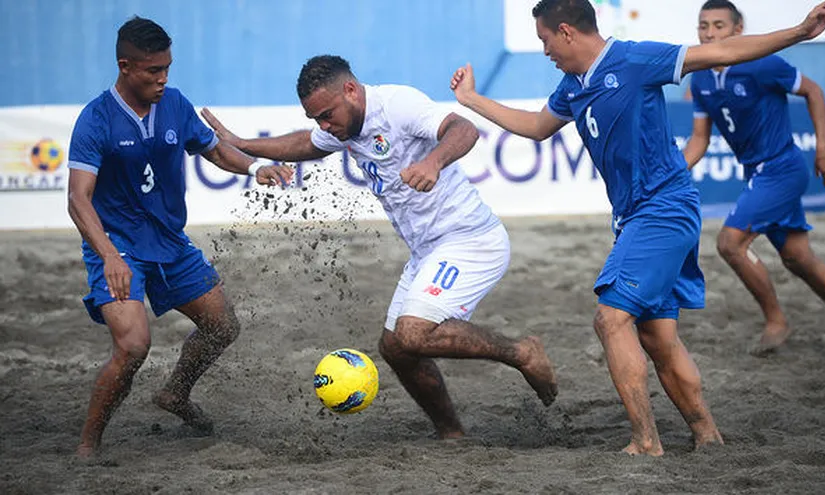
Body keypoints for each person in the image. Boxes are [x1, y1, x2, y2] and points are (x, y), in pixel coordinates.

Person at [450, 0, 825, 456]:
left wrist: (800, 31)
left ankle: (645, 441)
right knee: (658, 337)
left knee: (611, 318)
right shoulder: (572, 85)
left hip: (663, 210)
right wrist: (472, 101)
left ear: (565, 31)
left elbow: (723, 54)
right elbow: (539, 126)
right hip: (636, 218)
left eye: (544, 40)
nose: (544, 51)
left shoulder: (635, 58)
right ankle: (707, 436)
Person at [200, 55, 558, 439]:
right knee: (395, 348)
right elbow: (308, 143)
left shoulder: (397, 105)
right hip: (427, 251)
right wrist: (242, 144)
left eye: (326, 114)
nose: (324, 125)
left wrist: (433, 163)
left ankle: (522, 352)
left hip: (469, 240)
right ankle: (452, 433)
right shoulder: (341, 126)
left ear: (351, 90)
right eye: (316, 118)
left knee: (413, 333)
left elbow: (464, 128)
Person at [67, 16, 291, 457]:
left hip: (169, 242)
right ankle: (87, 445)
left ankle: (175, 394)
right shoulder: (95, 120)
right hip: (119, 246)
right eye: (153, 70)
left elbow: (212, 148)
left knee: (222, 325)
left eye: (168, 68)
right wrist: (109, 255)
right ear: (125, 66)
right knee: (133, 346)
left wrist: (253, 166)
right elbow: (78, 199)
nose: (163, 78)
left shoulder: (175, 104)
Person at [682, 0, 825, 355]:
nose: (709, 33)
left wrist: (823, 147)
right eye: (703, 26)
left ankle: (776, 320)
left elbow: (813, 91)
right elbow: (699, 139)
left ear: (737, 30)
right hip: (756, 175)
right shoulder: (700, 77)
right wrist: (673, 172)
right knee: (799, 259)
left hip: (782, 169)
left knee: (730, 243)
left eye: (718, 26)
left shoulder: (762, 63)